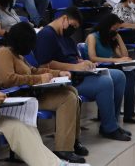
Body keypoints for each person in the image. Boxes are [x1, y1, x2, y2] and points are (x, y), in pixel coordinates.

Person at [0, 22, 88, 161]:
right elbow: (7, 80)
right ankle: (63, 149)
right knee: (67, 98)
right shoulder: (3, 53)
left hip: (28, 95)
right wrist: (38, 79)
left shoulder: (17, 54)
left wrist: (58, 73)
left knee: (71, 90)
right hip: (15, 100)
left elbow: (33, 70)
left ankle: (73, 140)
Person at [34, 8, 129, 141]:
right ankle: (109, 128)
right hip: (65, 79)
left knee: (119, 76)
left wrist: (84, 62)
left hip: (79, 73)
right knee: (105, 83)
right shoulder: (46, 35)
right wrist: (75, 66)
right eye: (73, 26)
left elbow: (74, 57)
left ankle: (113, 122)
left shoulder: (66, 37)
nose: (73, 30)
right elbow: (45, 64)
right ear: (64, 19)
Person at [87, 14, 135, 124]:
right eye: (115, 28)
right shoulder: (92, 37)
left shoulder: (110, 38)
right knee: (130, 75)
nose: (116, 31)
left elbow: (124, 55)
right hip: (99, 68)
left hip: (112, 66)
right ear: (107, 26)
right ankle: (129, 115)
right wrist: (115, 60)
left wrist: (119, 38)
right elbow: (92, 58)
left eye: (118, 29)